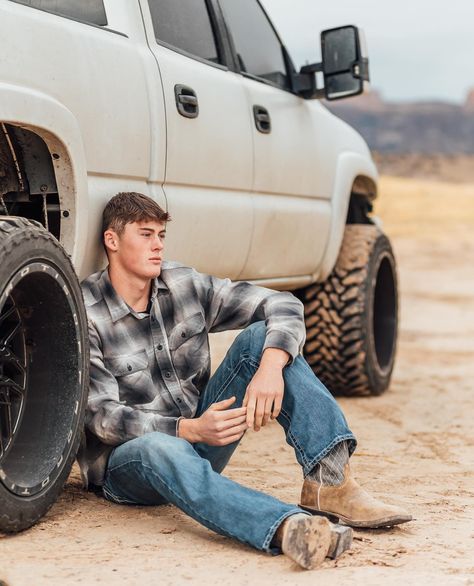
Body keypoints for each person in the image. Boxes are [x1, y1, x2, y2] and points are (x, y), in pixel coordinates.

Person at [78, 192, 411, 570]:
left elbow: (283, 304)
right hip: (131, 465)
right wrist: (189, 429)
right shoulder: (85, 313)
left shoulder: (183, 284)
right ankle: (289, 527)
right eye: (145, 234)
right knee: (160, 448)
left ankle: (330, 482)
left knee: (261, 340)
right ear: (112, 240)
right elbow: (100, 416)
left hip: (204, 438)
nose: (158, 245)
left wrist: (270, 365)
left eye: (161, 235)